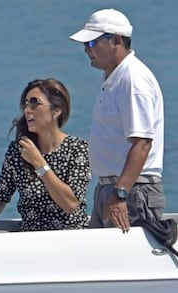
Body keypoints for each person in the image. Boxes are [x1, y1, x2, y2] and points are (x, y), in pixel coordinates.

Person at [69, 8, 165, 233]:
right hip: (110, 188)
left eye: (92, 43)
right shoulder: (115, 77)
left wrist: (120, 192)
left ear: (117, 41)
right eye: (85, 44)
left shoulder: (133, 80)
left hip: (131, 191)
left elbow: (142, 143)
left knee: (130, 266)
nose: (86, 49)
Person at [0, 78, 91, 231]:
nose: (27, 109)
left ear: (56, 110)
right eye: (25, 103)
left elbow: (70, 204)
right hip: (29, 241)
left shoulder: (77, 148)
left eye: (34, 103)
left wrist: (39, 163)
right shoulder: (19, 150)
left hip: (69, 239)